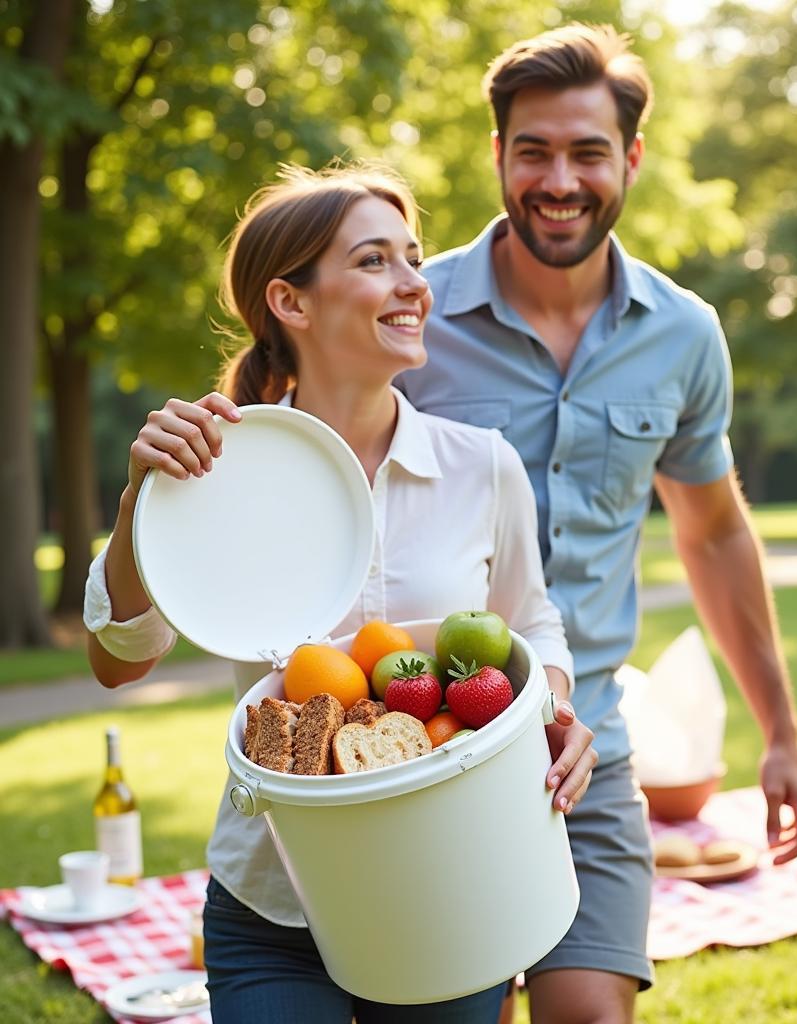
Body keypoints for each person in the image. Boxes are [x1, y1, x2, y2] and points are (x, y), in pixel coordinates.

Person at [83, 164, 597, 1024]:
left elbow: (531, 620)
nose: (413, 286)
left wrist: (552, 705)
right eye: (374, 262)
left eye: (414, 258)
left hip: (450, 883)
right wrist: (142, 501)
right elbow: (116, 660)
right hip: (273, 900)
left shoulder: (483, 466)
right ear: (291, 301)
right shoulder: (215, 473)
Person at [397, 23, 797, 1024]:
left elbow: (713, 533)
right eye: (533, 149)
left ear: (629, 159)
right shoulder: (412, 318)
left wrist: (782, 732)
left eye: (587, 151)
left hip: (586, 754)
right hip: (427, 744)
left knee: (590, 1012)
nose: (559, 178)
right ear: (497, 154)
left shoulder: (682, 334)